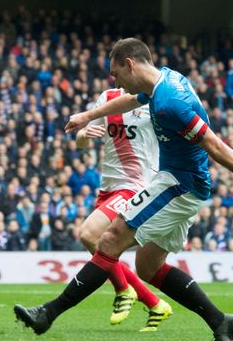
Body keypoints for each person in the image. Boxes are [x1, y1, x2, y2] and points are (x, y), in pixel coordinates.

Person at [14, 38, 233, 341]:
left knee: (110, 238)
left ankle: (46, 314)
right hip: (182, 183)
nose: (114, 80)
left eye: (116, 73)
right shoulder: (166, 78)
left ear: (129, 64)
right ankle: (222, 322)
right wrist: (88, 116)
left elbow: (214, 145)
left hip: (179, 183)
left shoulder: (169, 103)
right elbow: (131, 100)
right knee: (148, 267)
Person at [76, 87, 172, 331]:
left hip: (135, 186)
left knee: (88, 234)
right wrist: (85, 135)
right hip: (107, 187)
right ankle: (154, 303)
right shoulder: (107, 98)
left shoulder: (154, 102)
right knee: (99, 247)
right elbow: (81, 145)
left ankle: (123, 290)